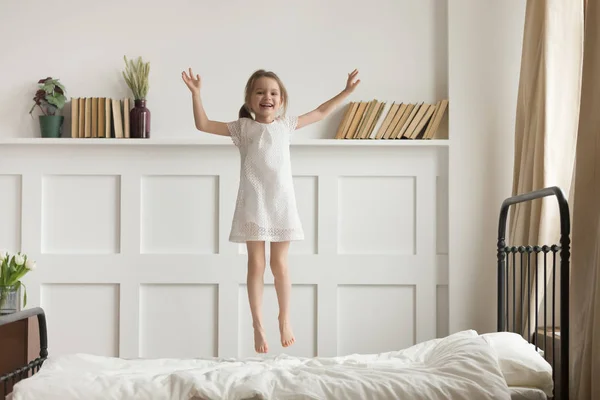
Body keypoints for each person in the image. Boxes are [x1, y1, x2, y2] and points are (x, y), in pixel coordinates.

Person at [182, 67, 360, 353]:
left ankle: (284, 318)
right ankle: (257, 324)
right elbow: (202, 124)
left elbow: (321, 111)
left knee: (280, 266)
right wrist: (196, 94)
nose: (268, 97)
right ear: (250, 100)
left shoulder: (286, 125)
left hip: (282, 203)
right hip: (253, 204)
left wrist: (347, 91)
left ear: (282, 100)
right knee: (256, 264)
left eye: (274, 93)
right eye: (260, 92)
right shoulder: (242, 128)